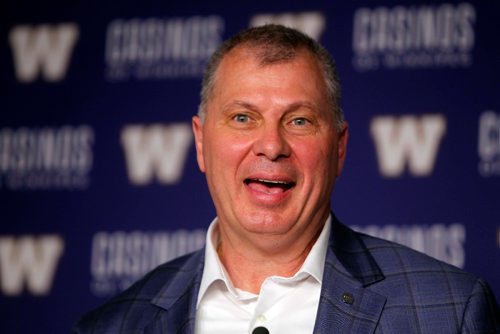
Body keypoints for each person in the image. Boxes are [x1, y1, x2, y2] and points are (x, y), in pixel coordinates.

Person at [73, 24, 499, 334]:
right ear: (201, 143)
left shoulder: (450, 311)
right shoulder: (112, 326)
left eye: (299, 120)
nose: (271, 145)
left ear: (339, 148)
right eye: (243, 118)